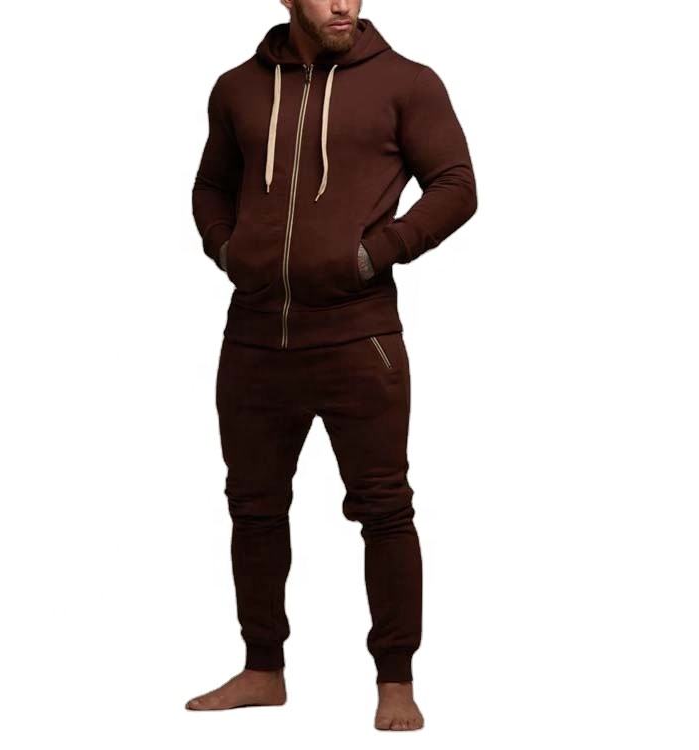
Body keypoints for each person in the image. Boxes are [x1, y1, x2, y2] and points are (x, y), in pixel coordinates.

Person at [186, 0, 476, 731]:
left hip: (359, 337)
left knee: (384, 507)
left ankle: (396, 679)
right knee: (253, 507)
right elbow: (210, 186)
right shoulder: (236, 88)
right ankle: (262, 669)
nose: (344, 3)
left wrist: (376, 253)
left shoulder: (406, 82)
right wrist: (227, 249)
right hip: (254, 340)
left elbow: (456, 185)